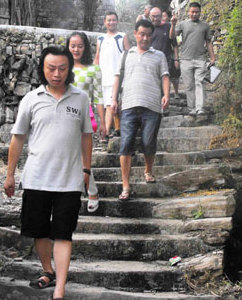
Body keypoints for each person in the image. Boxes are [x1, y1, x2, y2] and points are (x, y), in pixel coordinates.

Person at [4, 45, 92, 300]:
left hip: (69, 180)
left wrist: (86, 169)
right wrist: (10, 174)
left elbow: (87, 136)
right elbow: (18, 138)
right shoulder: (31, 99)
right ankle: (47, 270)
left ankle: (60, 288)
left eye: (62, 68)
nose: (56, 74)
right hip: (36, 177)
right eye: (51, 68)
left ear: (69, 69)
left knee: (63, 233)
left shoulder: (80, 98)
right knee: (39, 230)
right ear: (42, 69)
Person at [111, 20, 170, 200]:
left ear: (152, 36)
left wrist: (166, 95)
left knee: (148, 142)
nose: (145, 38)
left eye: (148, 35)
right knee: (125, 144)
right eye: (141, 34)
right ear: (135, 34)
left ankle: (148, 170)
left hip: (152, 106)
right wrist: (113, 99)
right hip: (128, 105)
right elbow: (117, 77)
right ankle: (125, 186)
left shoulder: (159, 55)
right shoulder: (126, 55)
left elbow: (165, 76)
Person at [66, 31, 104, 213]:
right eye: (72, 46)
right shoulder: (62, 67)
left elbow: (98, 97)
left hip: (83, 117)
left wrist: (103, 122)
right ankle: (86, 190)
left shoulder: (93, 69)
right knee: (69, 155)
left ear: (85, 48)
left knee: (82, 156)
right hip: (64, 116)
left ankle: (92, 191)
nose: (76, 49)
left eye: (80, 46)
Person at [174, 2, 215, 115]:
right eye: (192, 12)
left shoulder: (205, 26)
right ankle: (191, 108)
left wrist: (212, 57)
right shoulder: (182, 24)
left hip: (200, 59)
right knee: (189, 85)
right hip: (185, 59)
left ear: (200, 12)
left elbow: (208, 42)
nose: (194, 14)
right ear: (188, 12)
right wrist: (172, 24)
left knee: (199, 82)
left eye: (196, 12)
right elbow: (172, 37)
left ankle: (200, 108)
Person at [94, 11, 130, 139]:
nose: (111, 22)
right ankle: (116, 128)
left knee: (110, 104)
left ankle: (105, 132)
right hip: (103, 76)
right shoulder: (100, 39)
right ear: (105, 22)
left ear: (117, 21)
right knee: (106, 106)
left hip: (117, 77)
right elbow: (97, 57)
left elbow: (128, 55)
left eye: (114, 20)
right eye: (109, 20)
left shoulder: (122, 36)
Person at [151, 7, 180, 98]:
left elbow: (173, 41)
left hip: (166, 60)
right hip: (151, 60)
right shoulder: (148, 28)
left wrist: (176, 59)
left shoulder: (167, 26)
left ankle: (165, 101)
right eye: (153, 16)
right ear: (149, 16)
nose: (155, 18)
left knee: (165, 82)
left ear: (161, 16)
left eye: (158, 16)